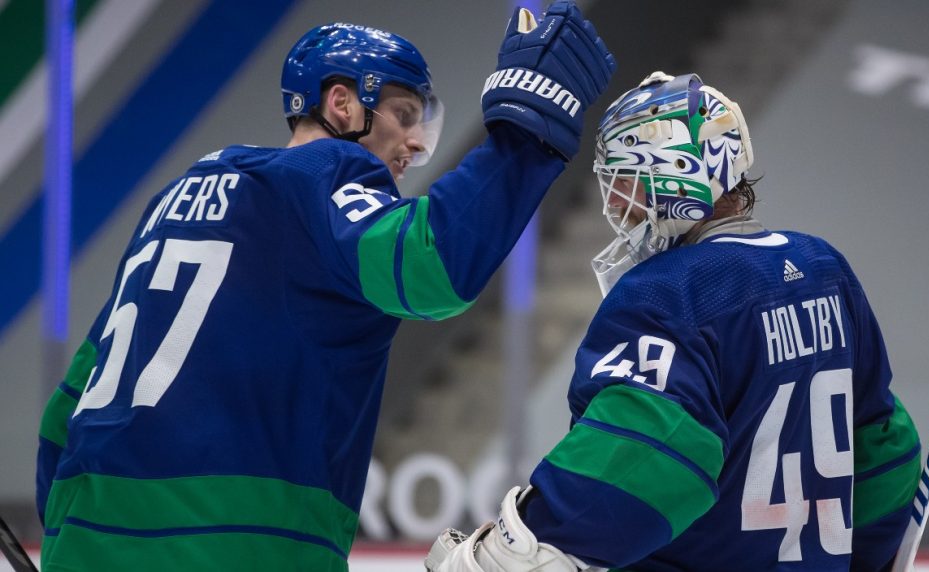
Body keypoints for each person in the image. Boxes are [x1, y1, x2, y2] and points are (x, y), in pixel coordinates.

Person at [34, 4, 614, 570]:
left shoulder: (175, 197)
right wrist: (528, 131)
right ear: (342, 104)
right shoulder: (321, 176)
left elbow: (70, 403)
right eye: (405, 114)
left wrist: (68, 531)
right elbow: (431, 265)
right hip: (236, 543)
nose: (415, 141)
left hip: (82, 529)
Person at [427, 72, 921, 572]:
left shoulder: (668, 292)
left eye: (623, 178)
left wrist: (516, 551)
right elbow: (883, 445)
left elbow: (649, 455)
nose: (615, 203)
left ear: (674, 172)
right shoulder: (824, 269)